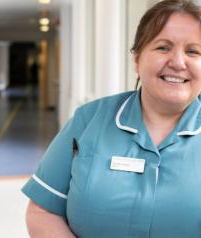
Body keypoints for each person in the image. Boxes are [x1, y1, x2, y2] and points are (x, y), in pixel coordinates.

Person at [21, 0, 201, 237]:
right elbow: (43, 212)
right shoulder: (89, 120)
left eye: (193, 51)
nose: (178, 62)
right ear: (137, 59)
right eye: (163, 48)